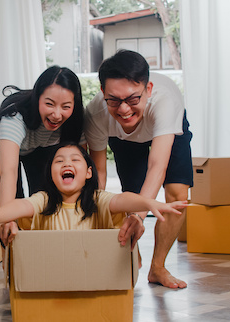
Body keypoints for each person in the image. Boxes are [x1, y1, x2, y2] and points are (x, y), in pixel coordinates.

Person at [84, 50, 193, 289]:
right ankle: (133, 255)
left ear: (149, 89)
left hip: (165, 127)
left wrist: (139, 216)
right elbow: (99, 175)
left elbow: (157, 166)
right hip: (123, 137)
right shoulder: (96, 113)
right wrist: (97, 213)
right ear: (103, 92)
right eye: (114, 100)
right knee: (131, 197)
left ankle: (158, 267)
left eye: (133, 99)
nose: (123, 109)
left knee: (177, 195)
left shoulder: (165, 103)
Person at [0, 143, 188, 247]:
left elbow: (122, 199)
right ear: (52, 173)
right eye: (59, 161)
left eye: (75, 160)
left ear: (88, 172)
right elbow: (19, 206)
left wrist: (147, 201)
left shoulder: (97, 199)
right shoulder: (44, 200)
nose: (67, 163)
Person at [0, 66, 84, 246]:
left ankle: (41, 255)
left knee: (44, 200)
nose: (56, 114)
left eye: (66, 106)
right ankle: (11, 266)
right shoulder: (14, 119)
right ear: (37, 98)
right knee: (12, 210)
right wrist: (7, 220)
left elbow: (83, 168)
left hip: (41, 145)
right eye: (49, 104)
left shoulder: (76, 121)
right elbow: (9, 173)